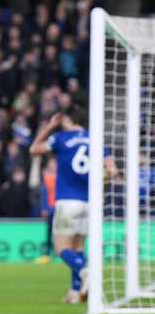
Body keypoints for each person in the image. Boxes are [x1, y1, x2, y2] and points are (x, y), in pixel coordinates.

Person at [29, 108, 114, 303]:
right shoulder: (96, 140)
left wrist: (50, 126)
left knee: (61, 248)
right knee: (78, 248)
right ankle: (75, 291)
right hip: (89, 203)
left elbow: (34, 149)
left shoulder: (61, 138)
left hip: (68, 201)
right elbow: (111, 169)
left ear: (66, 119)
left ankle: (85, 271)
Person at [35, 157, 57, 264]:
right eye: (51, 163)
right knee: (49, 232)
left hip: (60, 208)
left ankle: (62, 253)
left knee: (61, 232)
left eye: (54, 163)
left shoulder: (62, 176)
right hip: (50, 208)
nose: (53, 165)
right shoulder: (46, 177)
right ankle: (47, 254)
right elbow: (44, 194)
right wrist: (44, 208)